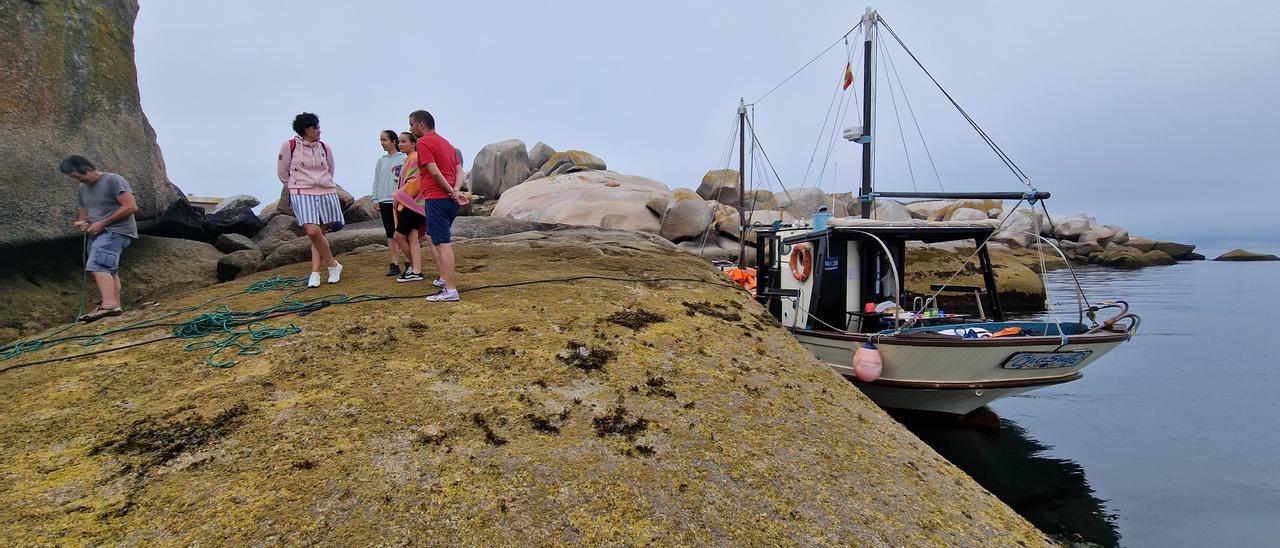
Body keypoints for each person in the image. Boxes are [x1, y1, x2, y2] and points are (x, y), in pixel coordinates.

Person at [60, 155, 139, 322]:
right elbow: (85, 216)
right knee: (109, 269)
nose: (76, 180)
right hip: (98, 233)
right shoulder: (83, 188)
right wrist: (82, 223)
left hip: (117, 231)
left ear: (88, 169)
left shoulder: (113, 180)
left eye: (77, 176)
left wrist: (103, 223)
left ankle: (108, 305)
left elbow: (131, 206)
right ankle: (114, 305)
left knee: (97, 264)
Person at [277, 112, 343, 288]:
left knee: (319, 234)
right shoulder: (289, 146)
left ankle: (315, 272)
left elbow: (330, 169)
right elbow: (283, 173)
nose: (319, 131)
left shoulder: (324, 147)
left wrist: (323, 185)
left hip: (325, 191)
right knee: (312, 232)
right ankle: (333, 265)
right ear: (306, 129)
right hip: (301, 192)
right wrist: (295, 187)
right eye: (316, 127)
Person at [408, 109, 468, 302]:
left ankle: (450, 290)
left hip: (438, 198)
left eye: (411, 124)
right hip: (449, 200)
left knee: (443, 243)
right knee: (432, 236)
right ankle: (444, 278)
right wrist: (456, 190)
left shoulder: (424, 142)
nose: (411, 128)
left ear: (421, 124)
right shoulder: (447, 144)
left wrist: (451, 192)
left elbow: (433, 172)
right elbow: (460, 171)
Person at [391, 131, 428, 283]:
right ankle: (416, 270)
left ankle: (414, 267)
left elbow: (414, 183)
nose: (400, 144)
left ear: (413, 144)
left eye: (404, 141)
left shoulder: (414, 158)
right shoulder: (409, 159)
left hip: (413, 204)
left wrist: (398, 197)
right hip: (415, 204)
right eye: (399, 141)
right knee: (412, 238)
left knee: (398, 236)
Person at [372, 129, 407, 276]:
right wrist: (375, 198)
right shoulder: (381, 160)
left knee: (404, 232)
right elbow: (377, 180)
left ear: (393, 141)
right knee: (390, 233)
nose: (382, 143)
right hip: (384, 200)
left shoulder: (404, 158)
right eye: (381, 140)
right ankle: (393, 263)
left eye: (384, 140)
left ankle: (409, 261)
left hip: (400, 200)